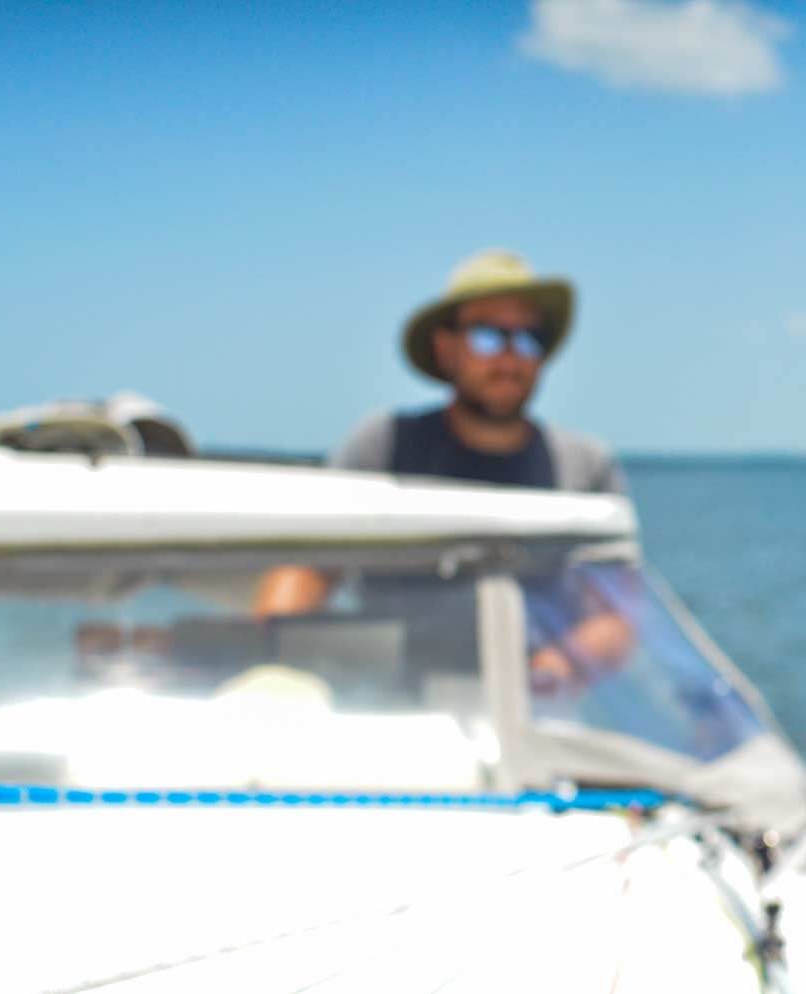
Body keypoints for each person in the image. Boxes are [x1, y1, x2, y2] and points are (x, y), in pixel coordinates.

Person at [253, 249, 630, 681]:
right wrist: (270, 658)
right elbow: (306, 569)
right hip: (391, 706)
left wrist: (550, 672)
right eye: (489, 335)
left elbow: (616, 617)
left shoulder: (585, 467)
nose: (510, 357)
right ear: (445, 347)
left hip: (536, 712)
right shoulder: (384, 446)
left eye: (529, 338)